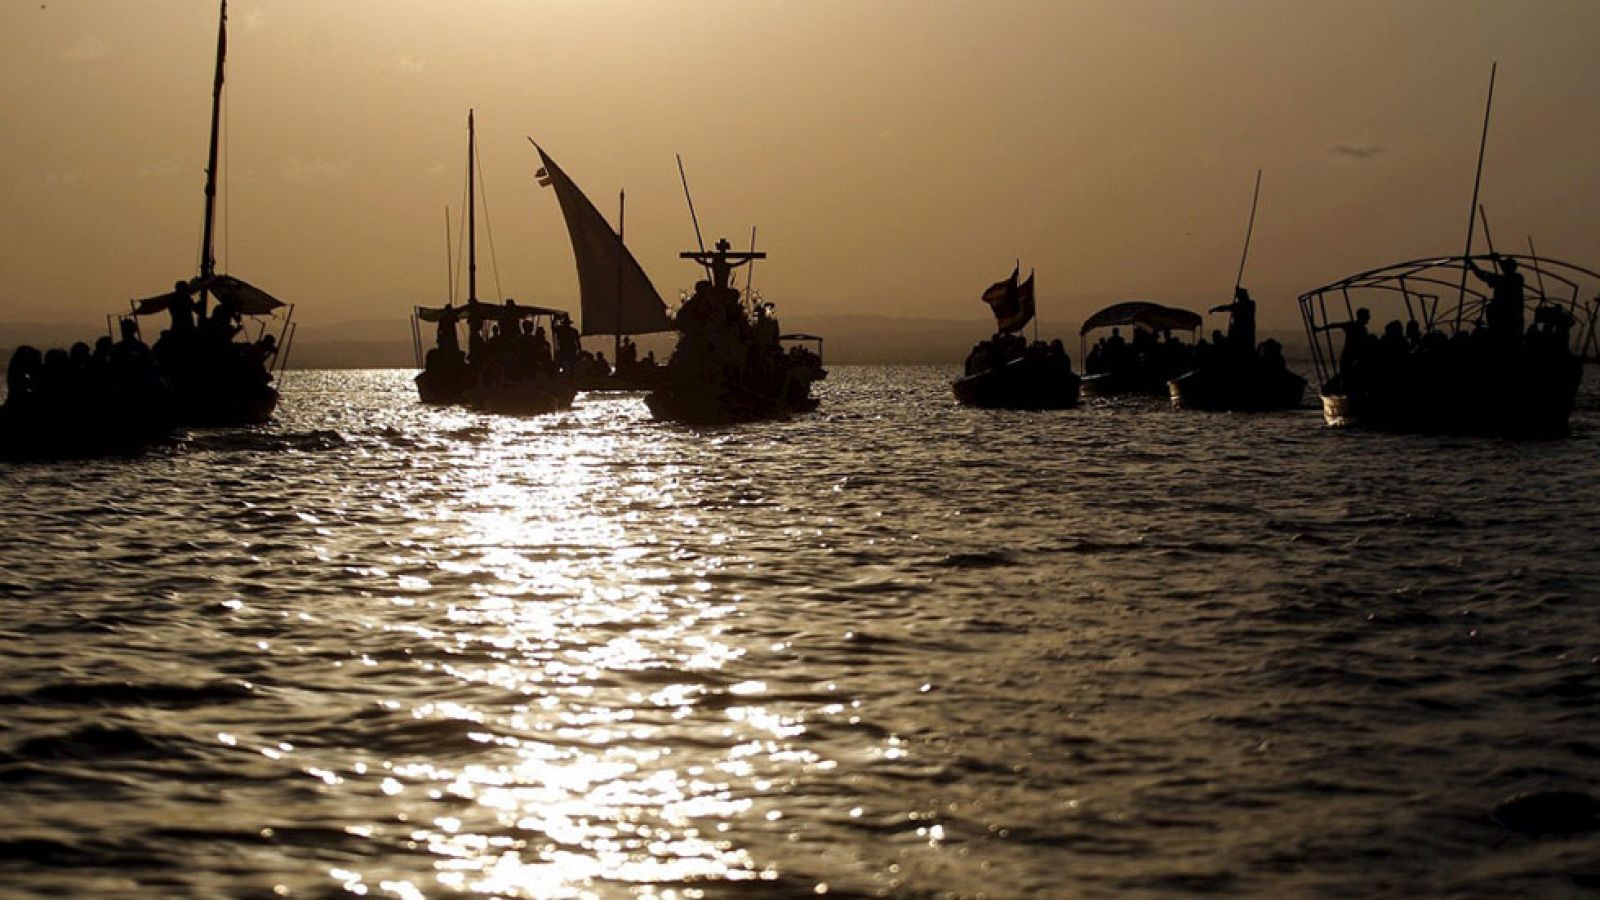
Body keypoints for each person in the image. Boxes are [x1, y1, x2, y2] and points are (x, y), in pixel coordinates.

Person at [1467, 254, 1525, 350]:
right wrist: (1497, 260)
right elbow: (1484, 275)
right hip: (1510, 320)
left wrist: (1471, 264)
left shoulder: (1514, 279)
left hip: (1506, 320)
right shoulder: (1513, 279)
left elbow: (1484, 275)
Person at [1211, 287, 1257, 357]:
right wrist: (1215, 309)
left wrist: (1215, 309)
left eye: (1239, 296)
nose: (1238, 298)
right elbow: (1225, 307)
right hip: (1238, 333)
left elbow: (1228, 307)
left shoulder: (1250, 304)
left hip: (1244, 334)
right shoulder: (1239, 305)